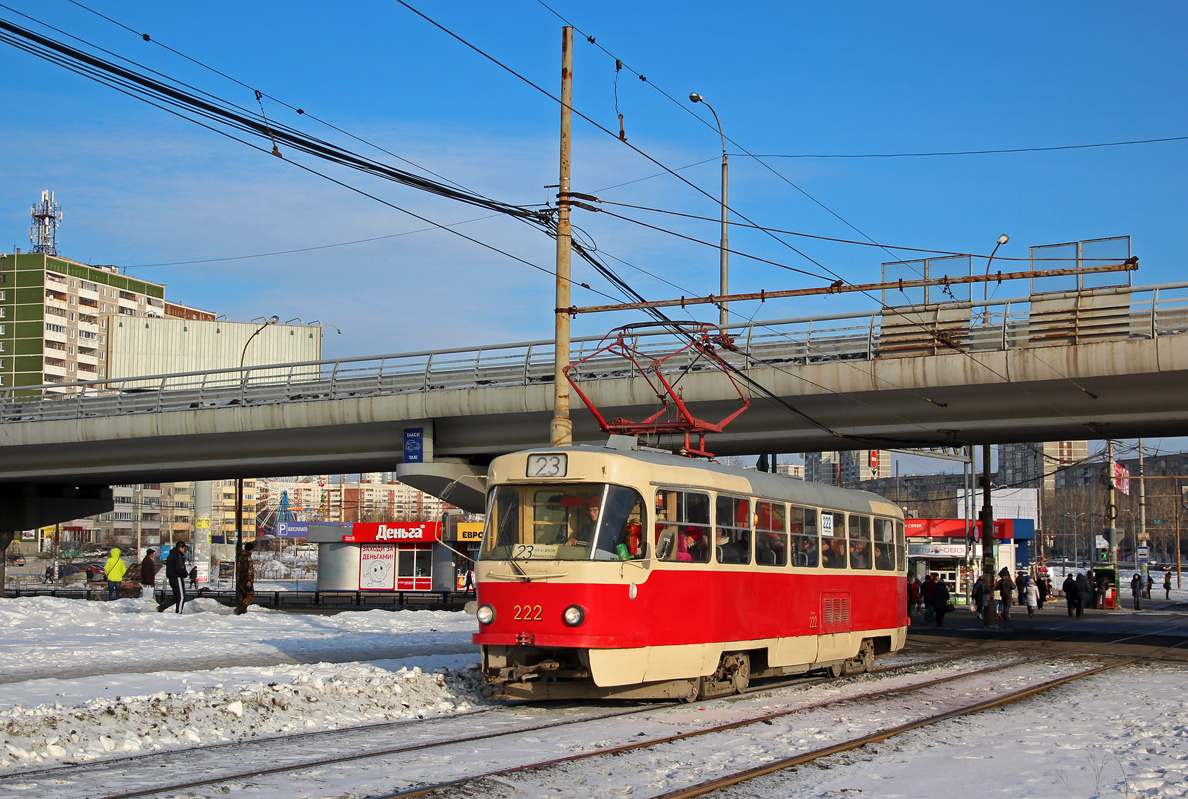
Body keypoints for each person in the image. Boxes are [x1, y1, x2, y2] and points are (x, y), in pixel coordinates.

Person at [157, 541, 189, 614]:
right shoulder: (178, 555)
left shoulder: (171, 555)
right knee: (181, 597)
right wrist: (185, 574)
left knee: (176, 596)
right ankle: (179, 612)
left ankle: (162, 607)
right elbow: (179, 568)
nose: (184, 550)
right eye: (184, 548)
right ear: (180, 548)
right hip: (177, 577)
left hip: (171, 577)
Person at [234, 541, 255, 615]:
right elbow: (249, 570)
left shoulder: (240, 555)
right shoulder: (248, 557)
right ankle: (240, 608)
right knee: (250, 595)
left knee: (243, 595)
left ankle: (242, 611)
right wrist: (249, 580)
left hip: (240, 579)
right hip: (246, 579)